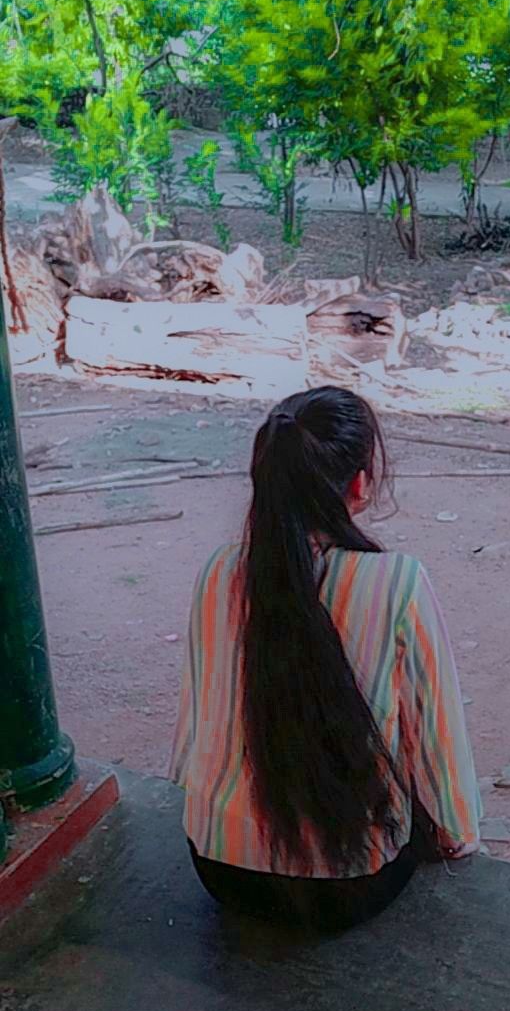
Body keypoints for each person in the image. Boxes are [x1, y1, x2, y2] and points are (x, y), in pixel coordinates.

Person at [170, 386, 481, 932]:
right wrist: (456, 834)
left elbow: (196, 724)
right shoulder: (397, 583)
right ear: (359, 484)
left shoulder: (218, 572)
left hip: (220, 871)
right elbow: (434, 737)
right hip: (348, 886)